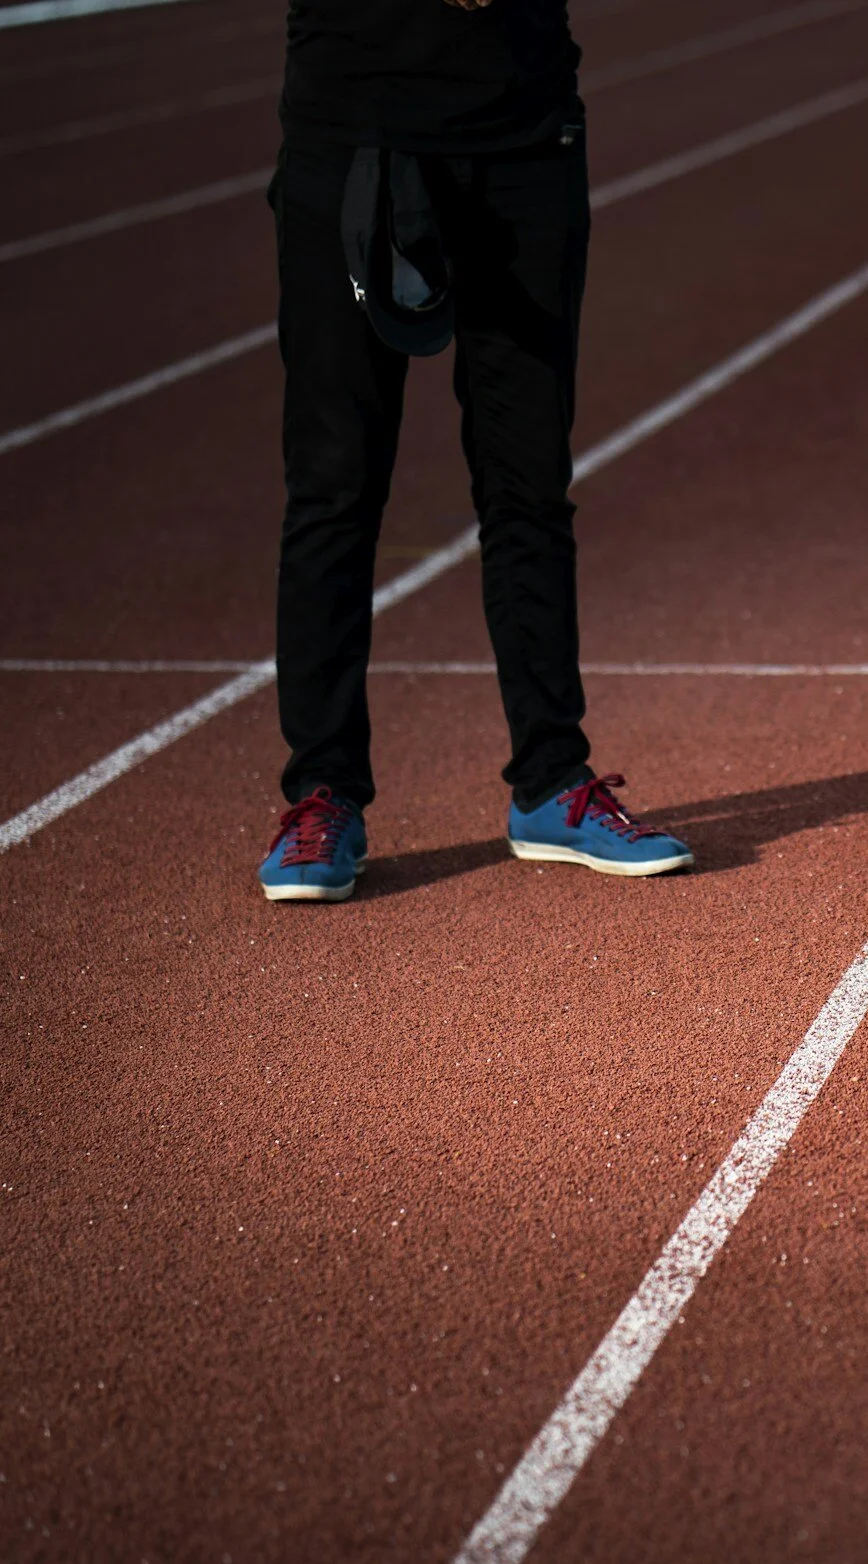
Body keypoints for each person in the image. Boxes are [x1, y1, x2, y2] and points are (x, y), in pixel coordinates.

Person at [258, 0, 691, 902]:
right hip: (354, 126)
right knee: (334, 482)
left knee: (528, 479)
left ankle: (550, 782)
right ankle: (322, 795)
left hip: (521, 137)